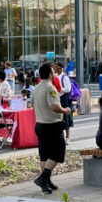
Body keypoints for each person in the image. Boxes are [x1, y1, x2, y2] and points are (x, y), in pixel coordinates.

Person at [31, 62, 72, 194]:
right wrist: (65, 110)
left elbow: (32, 104)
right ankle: (43, 177)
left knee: (44, 153)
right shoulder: (51, 88)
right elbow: (54, 106)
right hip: (51, 125)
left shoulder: (36, 88)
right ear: (49, 74)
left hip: (39, 124)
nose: (55, 74)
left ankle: (46, 181)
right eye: (53, 72)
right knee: (58, 151)